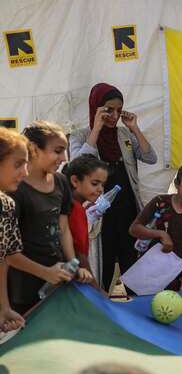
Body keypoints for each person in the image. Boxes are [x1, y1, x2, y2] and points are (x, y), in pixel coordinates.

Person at [69, 83, 157, 292]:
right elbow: (77, 164)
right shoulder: (80, 136)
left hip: (127, 213)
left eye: (118, 110)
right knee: (102, 272)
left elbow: (150, 157)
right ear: (96, 107)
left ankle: (136, 317)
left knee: (133, 272)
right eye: (109, 109)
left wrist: (134, 127)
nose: (114, 115)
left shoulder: (124, 134)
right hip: (99, 219)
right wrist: (97, 128)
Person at [7, 121, 92, 313]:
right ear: (35, 150)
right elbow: (6, 252)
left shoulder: (61, 182)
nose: (64, 158)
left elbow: (63, 229)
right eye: (58, 151)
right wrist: (45, 272)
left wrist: (72, 264)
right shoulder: (14, 189)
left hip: (58, 280)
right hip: (23, 286)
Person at [130, 163, 182, 291]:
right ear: (177, 184)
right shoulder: (160, 202)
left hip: (172, 276)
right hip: (146, 272)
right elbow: (134, 229)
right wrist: (161, 234)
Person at [0, 127, 28, 332]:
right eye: (18, 164)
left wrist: (4, 307)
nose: (25, 172)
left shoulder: (7, 205)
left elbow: (4, 259)